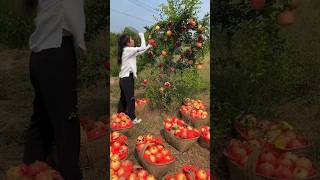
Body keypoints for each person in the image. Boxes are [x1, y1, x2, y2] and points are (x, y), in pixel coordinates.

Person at [21, 0, 86, 179]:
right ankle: (70, 174)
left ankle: (28, 171)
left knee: (42, 120)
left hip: (40, 56)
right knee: (66, 123)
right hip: (56, 53)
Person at [117, 32, 151, 124]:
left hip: (124, 78)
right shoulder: (128, 50)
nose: (133, 40)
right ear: (127, 43)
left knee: (124, 98)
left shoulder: (127, 50)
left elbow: (141, 51)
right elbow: (142, 47)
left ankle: (119, 115)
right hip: (127, 78)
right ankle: (133, 118)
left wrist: (149, 45)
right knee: (130, 98)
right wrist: (142, 36)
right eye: (131, 39)